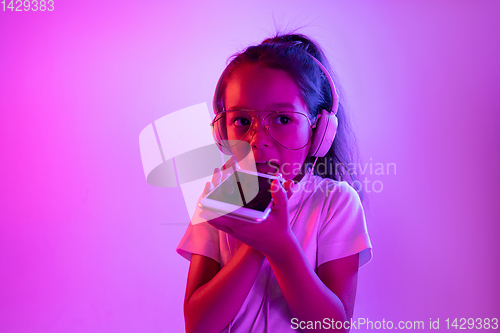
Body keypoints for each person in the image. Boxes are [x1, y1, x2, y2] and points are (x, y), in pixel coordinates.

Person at [177, 33, 372, 333]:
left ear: (318, 132)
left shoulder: (336, 203)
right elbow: (199, 326)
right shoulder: (218, 197)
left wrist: (279, 245)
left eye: (282, 119)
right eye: (241, 121)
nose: (258, 141)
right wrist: (255, 244)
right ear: (221, 130)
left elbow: (332, 328)